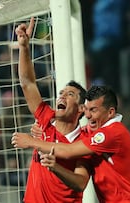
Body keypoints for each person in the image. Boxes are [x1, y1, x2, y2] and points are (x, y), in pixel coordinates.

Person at [12, 85, 130, 203]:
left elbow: (69, 150)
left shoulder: (113, 133)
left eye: (93, 110)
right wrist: (44, 131)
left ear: (110, 112)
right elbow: (75, 134)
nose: (88, 115)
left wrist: (33, 142)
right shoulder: (95, 132)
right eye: (87, 109)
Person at [15, 17, 90, 203]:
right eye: (61, 93)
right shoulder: (45, 120)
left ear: (81, 108)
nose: (62, 96)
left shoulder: (85, 142)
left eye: (70, 94)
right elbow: (27, 83)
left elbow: (81, 183)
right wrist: (24, 48)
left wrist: (55, 166)